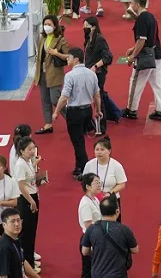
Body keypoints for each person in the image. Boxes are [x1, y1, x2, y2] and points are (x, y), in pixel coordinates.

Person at [51, 47, 101, 178]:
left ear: (76, 59)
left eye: (69, 57)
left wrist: (56, 112)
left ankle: (85, 170)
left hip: (74, 112)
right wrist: (98, 110)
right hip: (87, 110)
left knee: (78, 142)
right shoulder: (92, 74)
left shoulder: (70, 76)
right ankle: (78, 167)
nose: (67, 59)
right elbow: (97, 95)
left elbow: (64, 97)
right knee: (80, 140)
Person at [121, 0, 161, 121]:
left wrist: (133, 56)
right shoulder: (151, 16)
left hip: (145, 57)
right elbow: (150, 37)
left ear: (137, 4)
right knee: (158, 83)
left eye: (132, 3)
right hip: (157, 54)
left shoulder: (141, 19)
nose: (130, 6)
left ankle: (131, 109)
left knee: (136, 81)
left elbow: (142, 40)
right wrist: (133, 48)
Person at [81, 196, 139, 278]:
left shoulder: (91, 229)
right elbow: (135, 250)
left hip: (98, 274)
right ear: (117, 211)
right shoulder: (124, 230)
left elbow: (84, 251)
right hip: (118, 274)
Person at [33, 15, 69, 135]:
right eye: (45, 24)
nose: (46, 27)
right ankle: (48, 124)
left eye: (49, 24)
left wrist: (56, 53)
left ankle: (72, 119)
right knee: (45, 100)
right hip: (42, 73)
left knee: (55, 99)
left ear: (55, 26)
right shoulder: (42, 38)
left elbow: (68, 56)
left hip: (54, 74)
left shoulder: (60, 39)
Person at [13, 137, 43, 270]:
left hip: (33, 196)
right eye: (29, 149)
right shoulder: (20, 164)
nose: (32, 151)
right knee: (26, 233)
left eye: (33, 148)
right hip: (26, 199)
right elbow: (21, 186)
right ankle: (26, 264)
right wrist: (31, 201)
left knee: (32, 232)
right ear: (21, 151)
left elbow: (29, 178)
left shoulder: (28, 161)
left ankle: (30, 260)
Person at [84, 16, 116, 131]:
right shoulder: (88, 39)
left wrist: (95, 66)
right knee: (94, 97)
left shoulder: (100, 40)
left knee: (98, 98)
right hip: (88, 72)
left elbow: (108, 57)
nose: (84, 28)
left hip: (98, 73)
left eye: (87, 26)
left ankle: (101, 126)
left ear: (93, 27)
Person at [0, 209, 40, 278]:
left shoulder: (15, 239)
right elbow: (3, 276)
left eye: (18, 220)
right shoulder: (4, 248)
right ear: (4, 225)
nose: (17, 224)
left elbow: (23, 261)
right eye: (12, 221)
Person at [78, 173, 103, 277]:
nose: (99, 185)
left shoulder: (95, 199)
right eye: (96, 183)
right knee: (88, 270)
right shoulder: (85, 204)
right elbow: (89, 227)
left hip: (96, 236)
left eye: (99, 182)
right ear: (88, 187)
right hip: (90, 239)